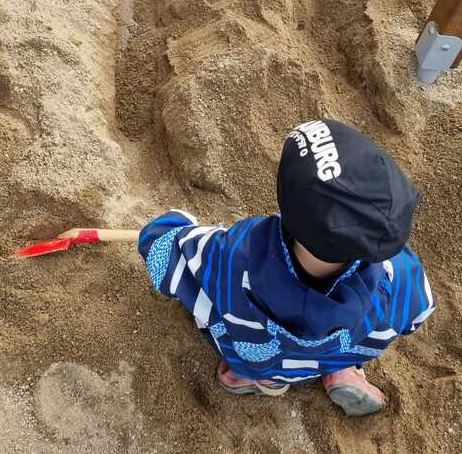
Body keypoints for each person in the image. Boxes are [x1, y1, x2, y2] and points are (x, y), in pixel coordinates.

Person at [138, 119, 434, 417]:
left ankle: (254, 377)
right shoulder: (399, 278)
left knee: (245, 342)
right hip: (338, 347)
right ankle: (340, 370)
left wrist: (173, 226)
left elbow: (162, 255)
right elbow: (418, 314)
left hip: (259, 351)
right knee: (353, 338)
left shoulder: (233, 256)